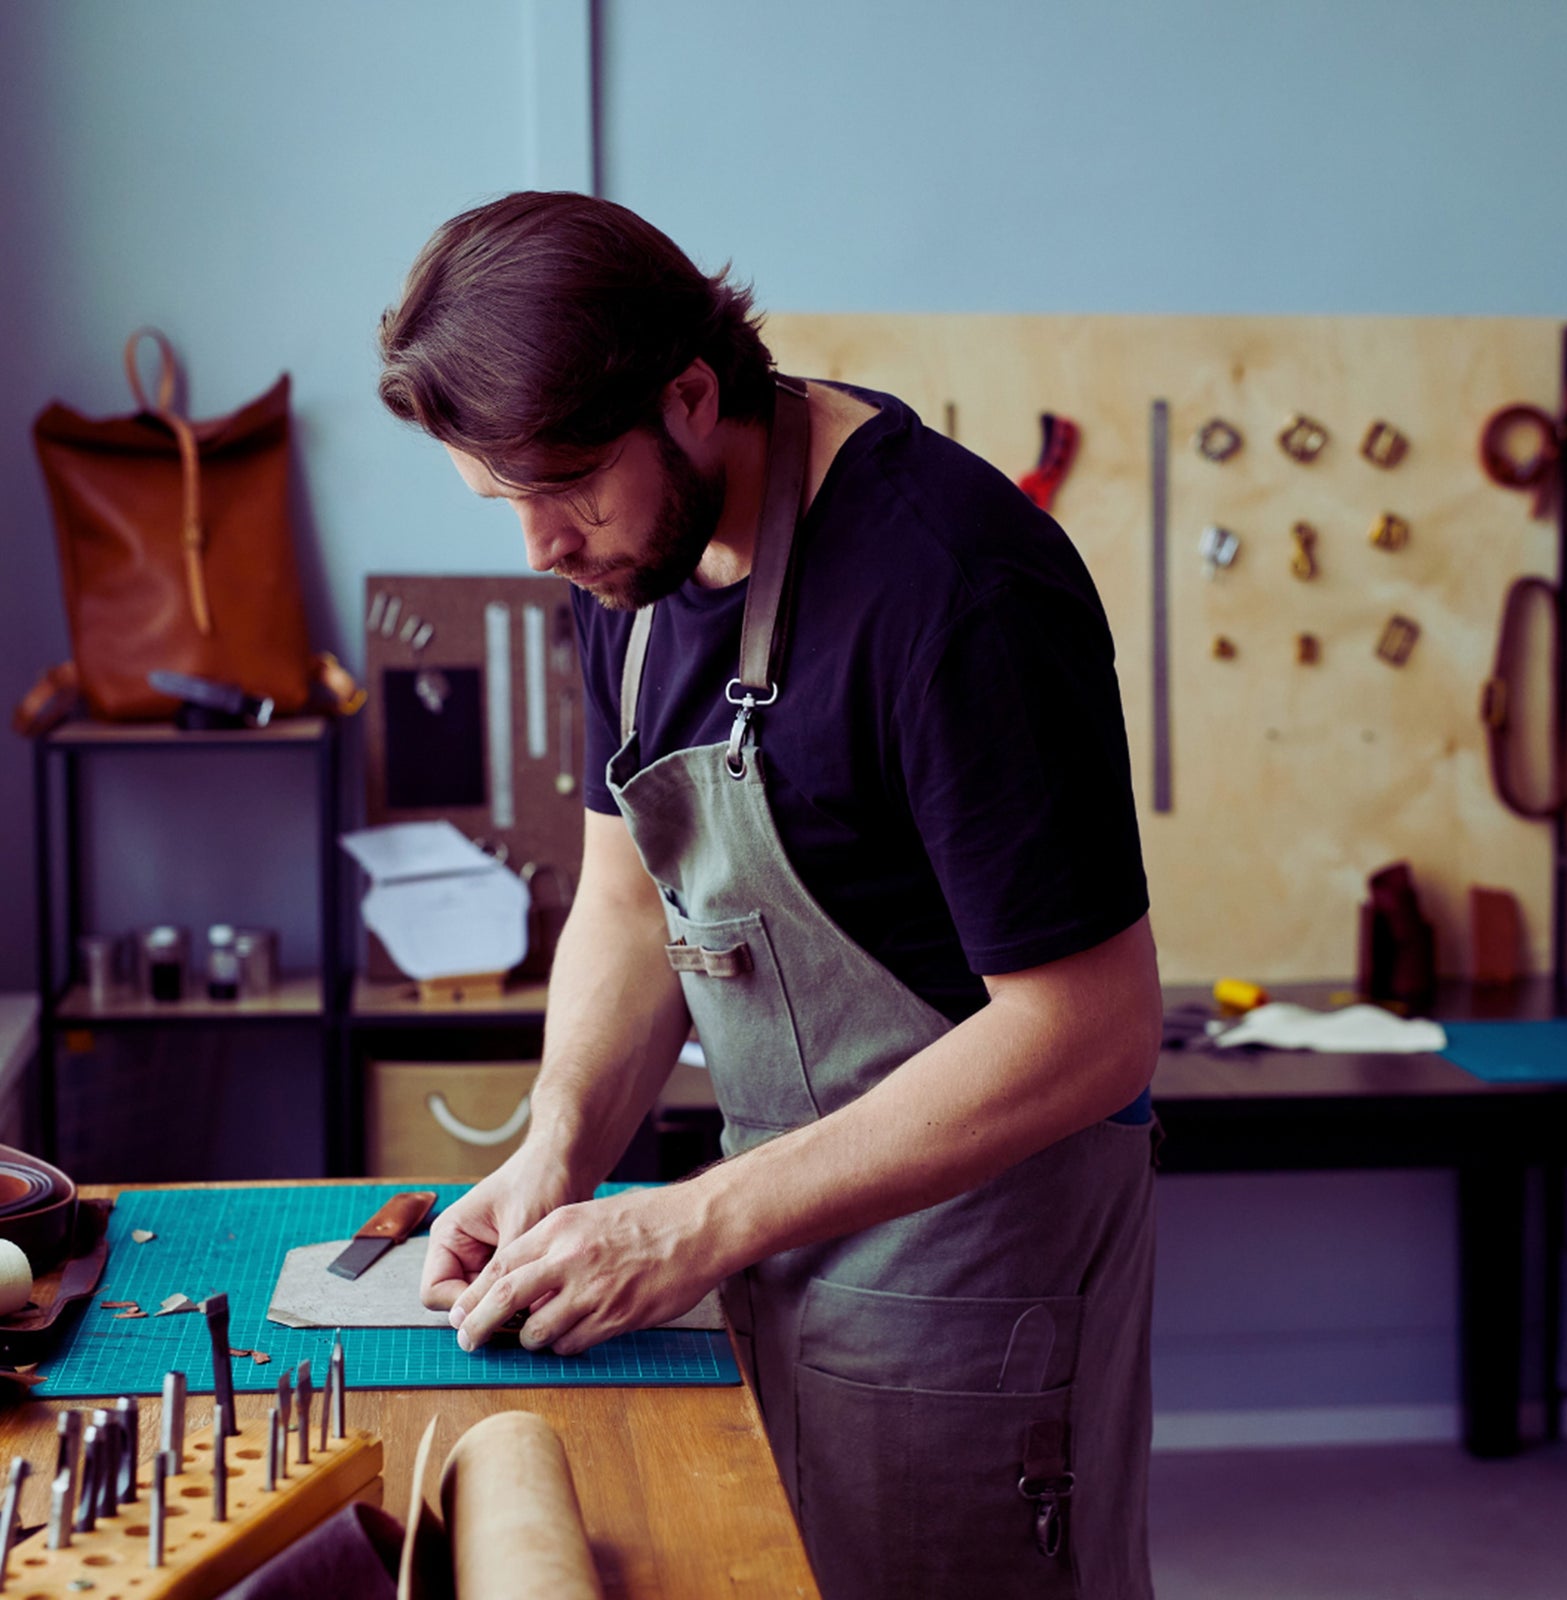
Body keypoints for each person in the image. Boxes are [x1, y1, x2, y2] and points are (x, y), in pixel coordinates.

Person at [378, 191, 1162, 1600]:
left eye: (566, 487)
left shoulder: (955, 587)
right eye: (506, 502)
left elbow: (1092, 1028)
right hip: (766, 1240)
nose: (541, 548)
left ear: (690, 395)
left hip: (976, 1285)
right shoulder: (628, 569)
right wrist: (560, 1150)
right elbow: (630, 902)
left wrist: (696, 1219)